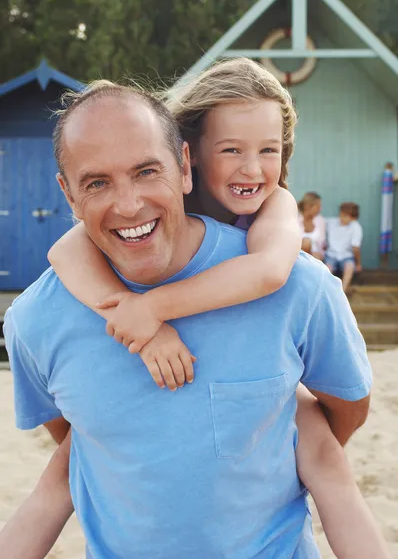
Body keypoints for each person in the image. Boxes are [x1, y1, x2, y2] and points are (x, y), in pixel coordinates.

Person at [1, 66, 388, 559]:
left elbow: (348, 407)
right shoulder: (38, 318)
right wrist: (135, 319)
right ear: (68, 194)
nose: (129, 202)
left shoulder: (297, 278)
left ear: (183, 166)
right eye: (96, 183)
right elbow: (82, 441)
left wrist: (295, 433)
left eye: (146, 171)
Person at [325, 202, 363, 292]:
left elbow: (355, 247)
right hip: (331, 255)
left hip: (346, 256)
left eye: (345, 216)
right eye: (341, 214)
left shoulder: (355, 227)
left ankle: (342, 292)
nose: (341, 218)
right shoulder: (331, 222)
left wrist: (358, 264)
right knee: (327, 269)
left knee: (349, 267)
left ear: (353, 218)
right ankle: (326, 292)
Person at [297, 192, 326, 260]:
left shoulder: (320, 220)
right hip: (298, 255)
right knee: (306, 242)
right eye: (318, 206)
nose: (320, 209)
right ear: (308, 206)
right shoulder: (295, 219)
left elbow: (322, 243)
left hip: (316, 255)